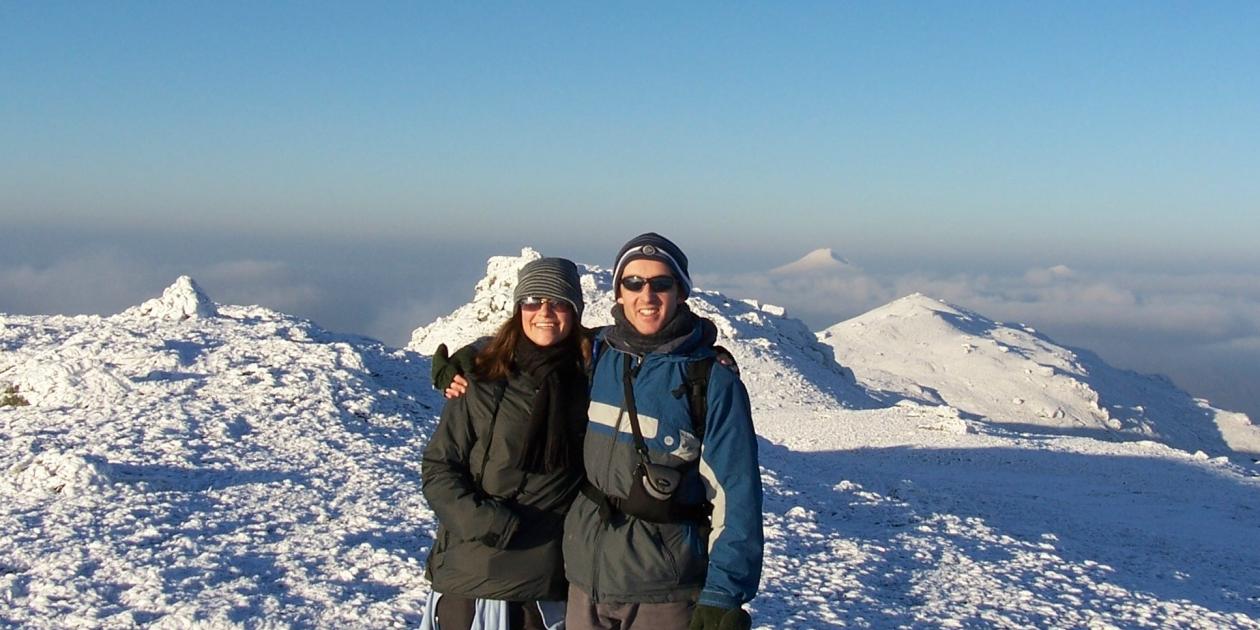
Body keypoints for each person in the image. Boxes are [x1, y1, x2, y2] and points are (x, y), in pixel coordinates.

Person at [435, 235, 763, 630]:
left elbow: (737, 495)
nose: (648, 294)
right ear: (618, 293)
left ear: (681, 292)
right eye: (633, 283)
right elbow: (536, 344)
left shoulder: (706, 378)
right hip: (582, 582)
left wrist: (723, 595)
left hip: (662, 588)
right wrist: (468, 359)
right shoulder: (602, 354)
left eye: (661, 283)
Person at [421, 257, 592, 630]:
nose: (544, 311)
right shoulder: (479, 377)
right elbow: (440, 465)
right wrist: (485, 521)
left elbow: (648, 336)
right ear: (518, 309)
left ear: (575, 311)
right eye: (532, 300)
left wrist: (713, 351)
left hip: (547, 583)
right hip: (471, 574)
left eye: (559, 302)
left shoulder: (593, 373)